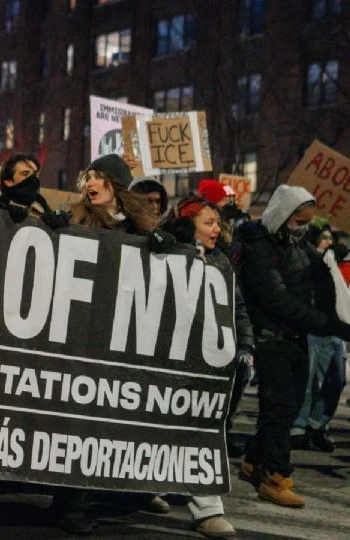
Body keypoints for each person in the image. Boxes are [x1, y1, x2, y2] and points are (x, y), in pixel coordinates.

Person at [46, 154, 162, 534]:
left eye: (98, 178)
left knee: (99, 422)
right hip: (77, 337)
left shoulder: (141, 230)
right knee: (75, 419)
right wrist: (51, 232)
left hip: (118, 340)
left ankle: (78, 498)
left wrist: (166, 246)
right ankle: (70, 501)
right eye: (87, 177)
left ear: (117, 185)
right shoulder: (77, 220)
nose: (89, 184)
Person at [237, 184, 350, 508]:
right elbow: (276, 298)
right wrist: (328, 324)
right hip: (270, 338)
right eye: (298, 221)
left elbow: (319, 271)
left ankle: (253, 458)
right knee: (281, 407)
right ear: (282, 215)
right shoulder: (259, 246)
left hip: (296, 337)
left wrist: (333, 256)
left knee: (287, 406)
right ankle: (275, 477)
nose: (302, 229)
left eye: (306, 223)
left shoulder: (295, 245)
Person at [158, 196, 257, 538]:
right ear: (189, 226)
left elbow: (237, 307)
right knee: (156, 427)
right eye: (208, 223)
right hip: (164, 361)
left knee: (203, 430)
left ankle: (208, 510)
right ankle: (145, 487)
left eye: (218, 222)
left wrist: (244, 346)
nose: (217, 229)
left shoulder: (221, 262)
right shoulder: (164, 252)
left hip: (204, 365)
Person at [290, 226, 347, 453]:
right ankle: (301, 427)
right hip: (314, 328)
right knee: (309, 382)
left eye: (330, 237)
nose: (328, 242)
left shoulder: (331, 263)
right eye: (323, 238)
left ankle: (318, 423)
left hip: (336, 329)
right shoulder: (308, 261)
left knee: (338, 379)